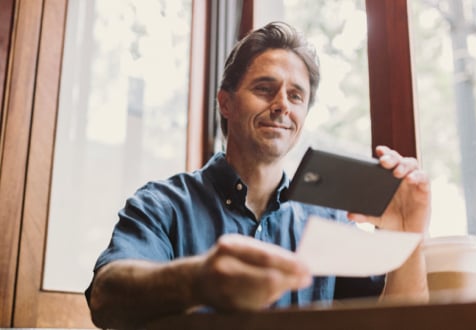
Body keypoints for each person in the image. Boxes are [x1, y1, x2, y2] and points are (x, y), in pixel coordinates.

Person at [85, 21, 431, 329]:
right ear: (226, 103)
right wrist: (198, 281)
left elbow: (398, 322)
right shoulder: (162, 205)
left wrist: (408, 237)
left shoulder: (329, 221)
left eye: (296, 95)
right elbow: (105, 299)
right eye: (265, 88)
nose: (282, 104)